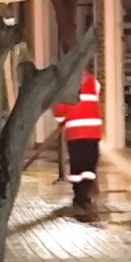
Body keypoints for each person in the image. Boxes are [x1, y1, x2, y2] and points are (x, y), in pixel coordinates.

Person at [54, 67, 102, 213]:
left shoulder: (64, 84)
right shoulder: (94, 82)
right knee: (89, 165)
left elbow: (59, 108)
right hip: (93, 131)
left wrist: (61, 118)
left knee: (77, 166)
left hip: (75, 132)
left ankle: (80, 197)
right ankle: (84, 196)